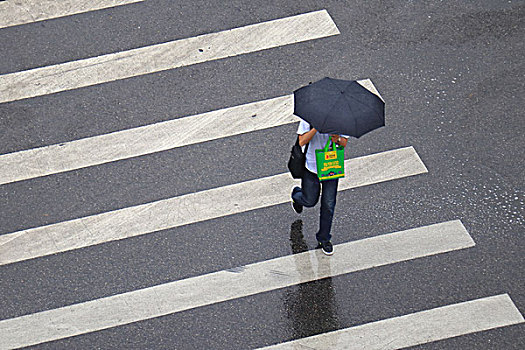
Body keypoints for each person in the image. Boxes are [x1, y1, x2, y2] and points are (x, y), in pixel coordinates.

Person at [291, 119, 348, 256]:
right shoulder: (309, 117)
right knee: (309, 201)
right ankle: (296, 196)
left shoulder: (340, 118)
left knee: (329, 204)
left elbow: (344, 142)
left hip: (331, 168)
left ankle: (324, 238)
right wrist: (316, 128)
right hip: (311, 168)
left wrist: (337, 139)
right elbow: (301, 141)